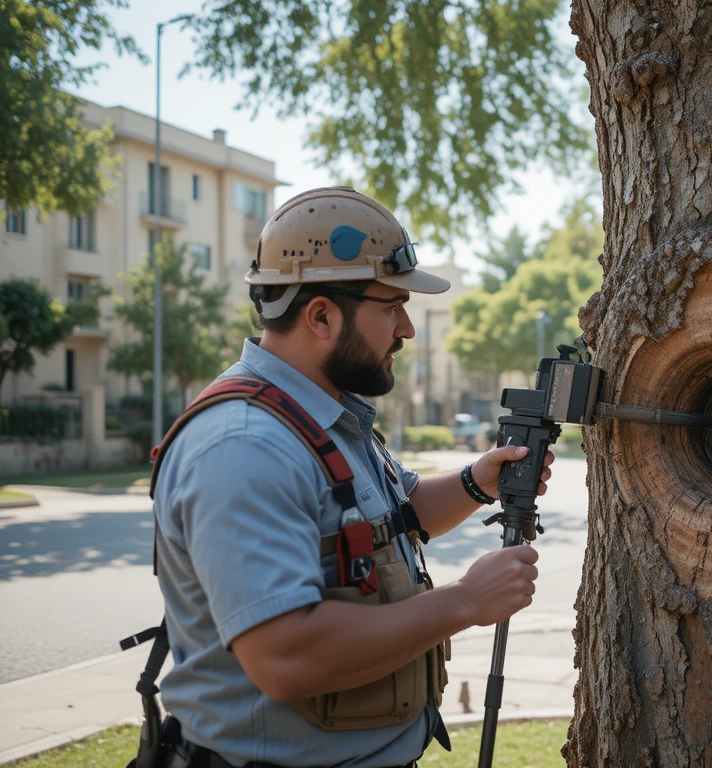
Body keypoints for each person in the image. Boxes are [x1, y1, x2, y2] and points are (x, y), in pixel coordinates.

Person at [147, 187, 554, 768]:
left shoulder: (320, 415)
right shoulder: (245, 446)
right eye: (391, 306)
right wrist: (465, 602)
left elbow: (397, 512)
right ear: (320, 316)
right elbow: (287, 657)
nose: (407, 329)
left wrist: (476, 481)